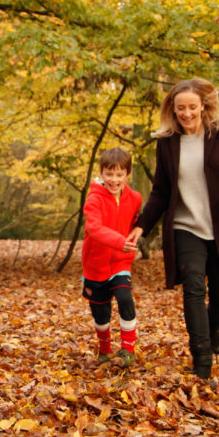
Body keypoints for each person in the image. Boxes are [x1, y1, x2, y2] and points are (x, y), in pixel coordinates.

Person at [126, 78, 219, 380]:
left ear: (203, 106)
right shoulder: (167, 143)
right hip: (185, 227)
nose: (186, 114)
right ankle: (201, 362)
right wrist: (142, 227)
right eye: (180, 109)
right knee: (192, 289)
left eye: (192, 107)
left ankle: (212, 327)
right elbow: (161, 191)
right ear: (172, 110)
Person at [82, 147, 142, 368]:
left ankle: (128, 350)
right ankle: (105, 350)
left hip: (121, 262)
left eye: (119, 174)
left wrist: (137, 231)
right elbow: (93, 229)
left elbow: (136, 221)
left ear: (127, 174)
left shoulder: (135, 198)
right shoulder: (94, 199)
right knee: (101, 314)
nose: (114, 180)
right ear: (102, 173)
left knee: (125, 298)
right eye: (109, 174)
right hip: (95, 265)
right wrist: (120, 241)